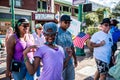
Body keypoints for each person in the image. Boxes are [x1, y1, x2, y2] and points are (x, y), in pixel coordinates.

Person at [55, 15, 77, 80]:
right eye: (65, 22)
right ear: (60, 22)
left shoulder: (69, 33)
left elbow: (72, 46)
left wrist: (75, 59)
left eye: (69, 22)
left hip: (70, 61)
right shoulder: (56, 33)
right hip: (60, 63)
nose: (67, 24)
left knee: (71, 78)